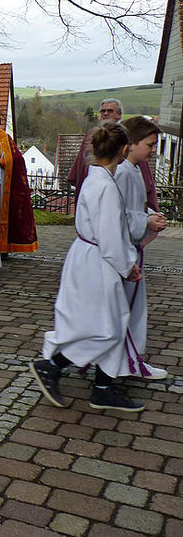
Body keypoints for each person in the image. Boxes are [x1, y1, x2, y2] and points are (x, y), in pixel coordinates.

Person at [31, 121, 147, 412]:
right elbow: (110, 238)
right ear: (122, 151)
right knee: (107, 326)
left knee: (106, 322)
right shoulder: (105, 186)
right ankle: (53, 366)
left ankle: (102, 387)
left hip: (88, 256)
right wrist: (127, 265)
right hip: (99, 261)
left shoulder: (95, 180)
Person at [113, 116, 168, 380]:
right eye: (150, 144)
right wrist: (145, 220)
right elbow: (119, 214)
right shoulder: (122, 172)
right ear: (131, 144)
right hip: (124, 251)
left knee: (133, 309)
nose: (153, 150)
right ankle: (125, 361)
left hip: (132, 249)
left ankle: (130, 359)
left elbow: (135, 207)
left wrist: (150, 215)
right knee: (124, 309)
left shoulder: (134, 169)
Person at [68, 97, 159, 211]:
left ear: (119, 114)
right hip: (92, 187)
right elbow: (81, 166)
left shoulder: (128, 135)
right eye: (103, 111)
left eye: (110, 111)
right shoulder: (91, 135)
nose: (105, 114)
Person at [0, 112, 38, 257]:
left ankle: (1, 248)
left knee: (0, 217)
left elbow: (16, 159)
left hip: (1, 186)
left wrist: (0, 162)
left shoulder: (5, 139)